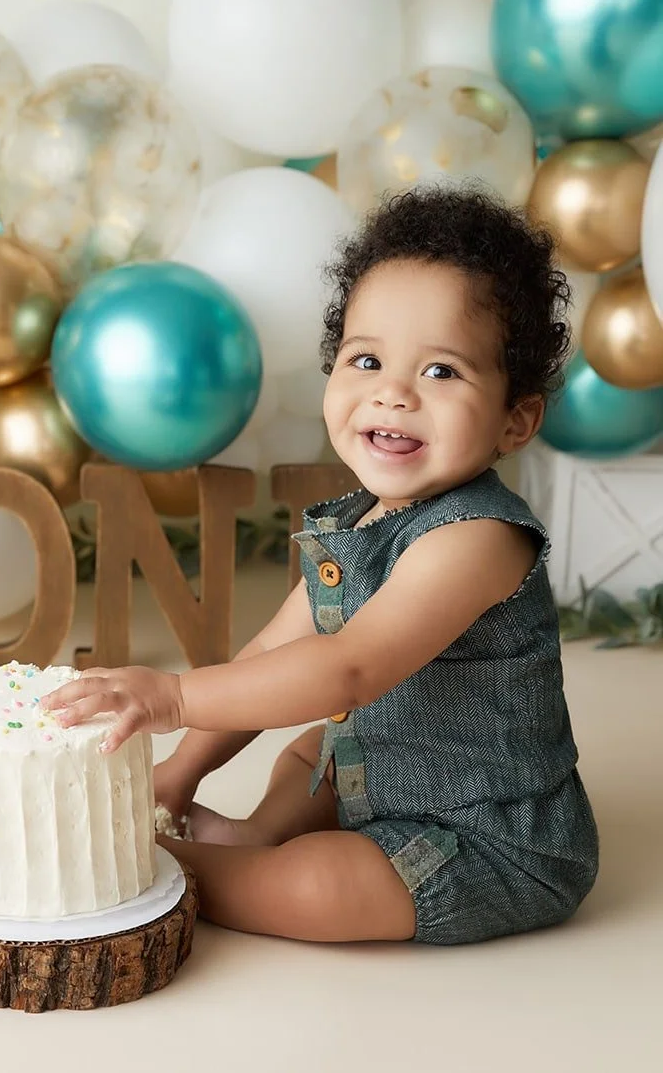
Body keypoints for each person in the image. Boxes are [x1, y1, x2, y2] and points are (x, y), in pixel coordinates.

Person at [42, 187, 599, 946]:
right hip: (378, 770)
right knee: (312, 749)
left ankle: (186, 871)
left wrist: (175, 695)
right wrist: (180, 767)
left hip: (484, 839)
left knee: (322, 882)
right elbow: (274, 649)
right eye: (366, 359)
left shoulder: (479, 538)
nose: (393, 393)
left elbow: (347, 670)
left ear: (516, 418)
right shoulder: (359, 519)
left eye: (441, 372)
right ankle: (252, 835)